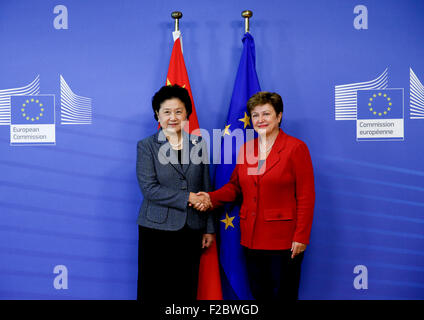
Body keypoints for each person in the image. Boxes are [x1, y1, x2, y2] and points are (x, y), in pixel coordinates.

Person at [197, 91, 315, 301]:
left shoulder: (296, 148)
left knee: (285, 295)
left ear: (279, 116)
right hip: (251, 239)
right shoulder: (247, 149)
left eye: (266, 114)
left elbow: (306, 196)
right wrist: (209, 198)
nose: (260, 120)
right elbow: (235, 187)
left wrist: (301, 236)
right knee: (259, 294)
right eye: (255, 115)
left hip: (284, 241)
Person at [136, 84, 215, 301]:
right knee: (154, 287)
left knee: (186, 287)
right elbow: (149, 189)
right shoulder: (146, 146)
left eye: (178, 111)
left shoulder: (199, 143)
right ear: (157, 115)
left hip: (191, 228)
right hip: (156, 228)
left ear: (187, 114)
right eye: (167, 112)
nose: (173, 117)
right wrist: (188, 197)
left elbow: (206, 187)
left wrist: (209, 228)